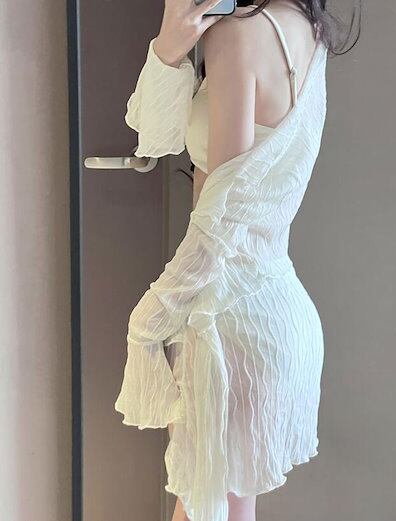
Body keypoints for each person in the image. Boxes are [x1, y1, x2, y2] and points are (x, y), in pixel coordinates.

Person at [114, 2, 361, 521]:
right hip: (276, 312)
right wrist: (169, 48)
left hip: (226, 320)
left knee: (202, 509)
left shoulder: (236, 33)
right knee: (225, 508)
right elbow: (155, 139)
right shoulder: (306, 29)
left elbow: (223, 215)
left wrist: (155, 311)